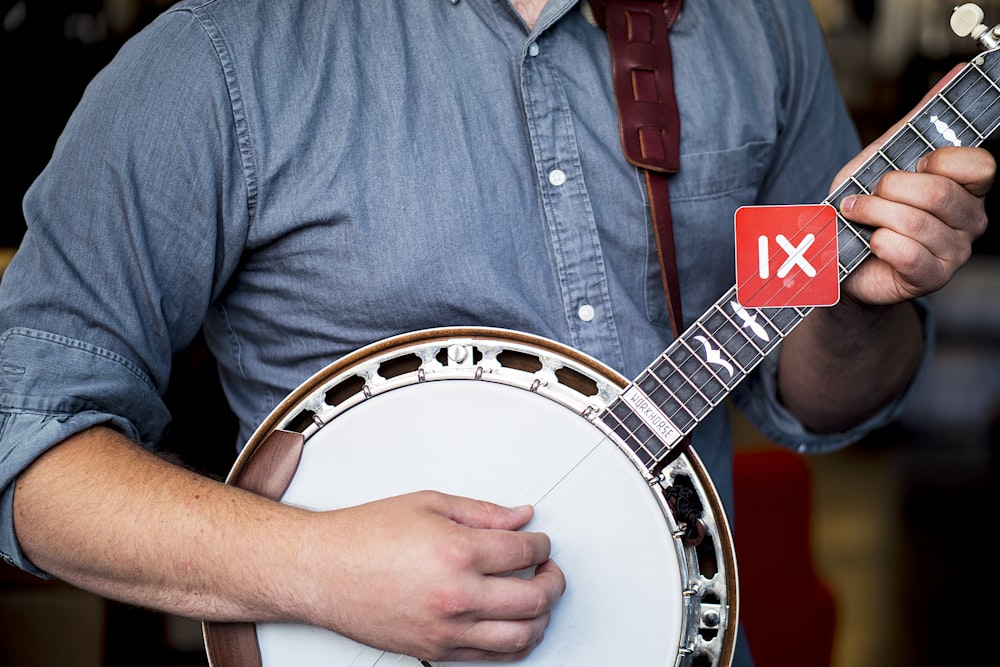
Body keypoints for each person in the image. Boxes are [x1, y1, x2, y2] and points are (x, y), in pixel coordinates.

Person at [0, 0, 992, 664]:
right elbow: (25, 439)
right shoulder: (218, 54)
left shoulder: (754, 25)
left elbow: (820, 402)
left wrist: (857, 300)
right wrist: (316, 569)